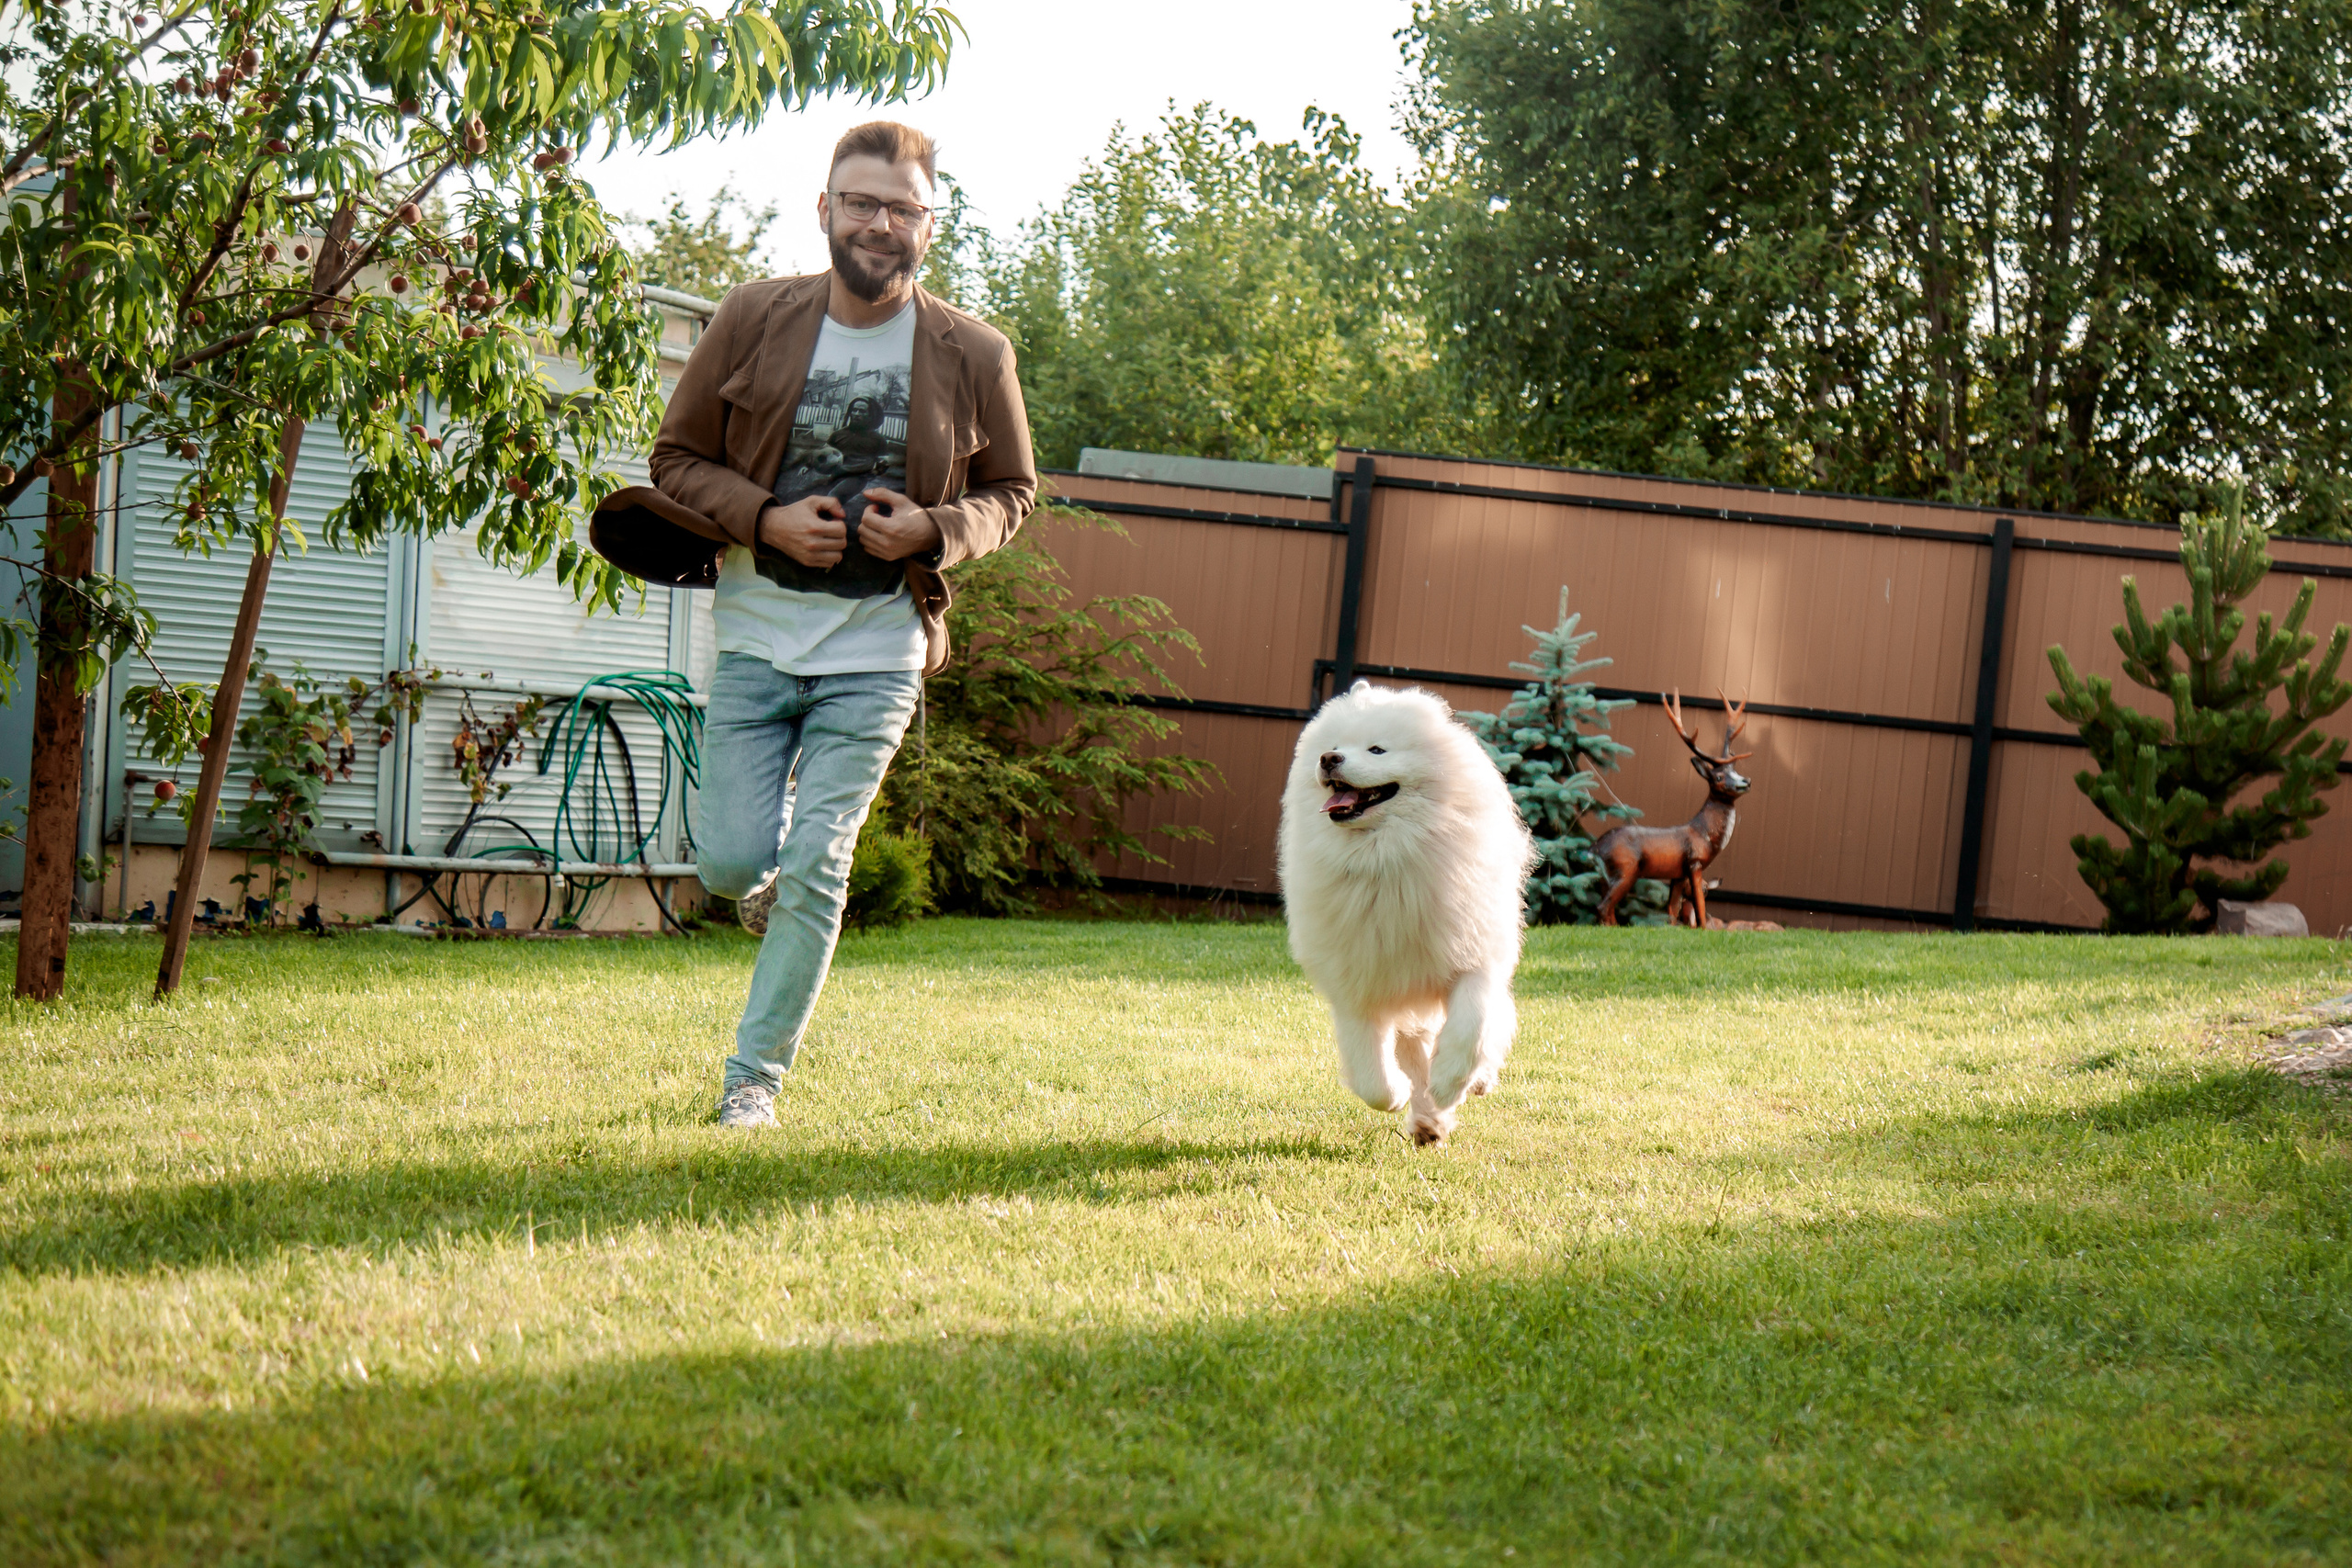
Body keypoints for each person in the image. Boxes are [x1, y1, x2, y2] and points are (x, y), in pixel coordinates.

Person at [645, 120, 1036, 1127]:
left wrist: (936, 529)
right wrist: (765, 518)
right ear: (824, 210)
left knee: (822, 860)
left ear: (929, 226)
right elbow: (676, 461)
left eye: (901, 208)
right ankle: (762, 892)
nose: (879, 223)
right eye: (860, 202)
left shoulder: (975, 352)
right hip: (755, 634)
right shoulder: (750, 318)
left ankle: (752, 1082)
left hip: (879, 649)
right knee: (730, 862)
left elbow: (1014, 492)